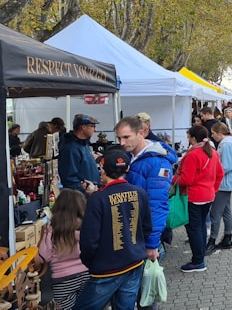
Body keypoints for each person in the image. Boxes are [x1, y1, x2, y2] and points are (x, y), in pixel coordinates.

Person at [76, 145, 152, 310]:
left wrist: (90, 263)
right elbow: (147, 228)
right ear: (127, 169)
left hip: (106, 269)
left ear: (102, 170)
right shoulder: (140, 193)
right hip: (134, 262)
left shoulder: (98, 199)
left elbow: (89, 240)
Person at [114, 116, 174, 262]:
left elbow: (157, 205)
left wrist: (152, 244)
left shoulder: (158, 163)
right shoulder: (130, 156)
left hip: (143, 237)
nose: (122, 143)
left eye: (126, 137)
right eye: (119, 138)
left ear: (141, 133)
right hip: (131, 232)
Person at [173, 125, 223, 272]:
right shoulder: (213, 152)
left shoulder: (192, 154)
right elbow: (220, 174)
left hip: (193, 196)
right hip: (208, 195)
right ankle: (200, 257)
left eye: (188, 137)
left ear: (194, 138)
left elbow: (186, 180)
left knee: (194, 229)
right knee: (200, 226)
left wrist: (173, 177)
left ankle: (198, 261)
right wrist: (213, 189)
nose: (188, 140)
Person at [36, 189, 89, 310]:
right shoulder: (86, 225)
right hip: (86, 273)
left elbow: (44, 256)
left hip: (62, 279)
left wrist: (45, 235)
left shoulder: (53, 228)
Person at [208, 122, 232, 253]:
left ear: (219, 133)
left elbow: (226, 166)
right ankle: (227, 237)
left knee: (215, 213)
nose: (212, 136)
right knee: (226, 211)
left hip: (223, 183)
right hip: (226, 182)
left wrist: (213, 174)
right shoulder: (228, 142)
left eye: (213, 133)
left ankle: (212, 240)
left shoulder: (227, 144)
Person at [59, 114, 101, 193]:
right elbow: (69, 178)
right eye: (92, 126)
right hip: (81, 198)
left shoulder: (83, 144)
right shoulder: (71, 149)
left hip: (91, 194)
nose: (94, 129)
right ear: (83, 127)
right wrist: (85, 192)